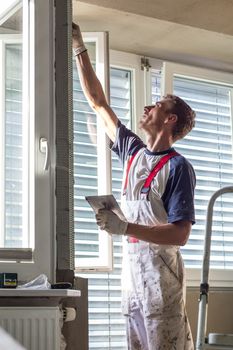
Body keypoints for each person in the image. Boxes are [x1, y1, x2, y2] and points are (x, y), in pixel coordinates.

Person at [72, 22, 196, 350]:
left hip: (162, 287)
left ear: (170, 120)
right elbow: (98, 103)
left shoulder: (177, 167)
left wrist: (125, 225)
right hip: (132, 285)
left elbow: (180, 234)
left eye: (156, 106)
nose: (146, 108)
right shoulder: (132, 153)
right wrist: (78, 46)